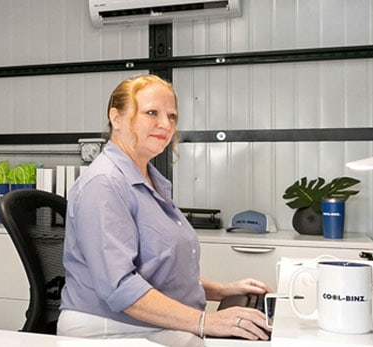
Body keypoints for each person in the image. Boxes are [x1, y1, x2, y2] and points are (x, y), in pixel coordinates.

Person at [58, 74, 272, 346]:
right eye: (151, 113)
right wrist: (208, 322)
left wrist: (221, 291)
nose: (165, 124)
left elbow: (159, 270)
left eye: (171, 116)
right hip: (112, 331)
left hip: (150, 325)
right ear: (116, 117)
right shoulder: (104, 184)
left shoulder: (150, 181)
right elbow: (120, 288)